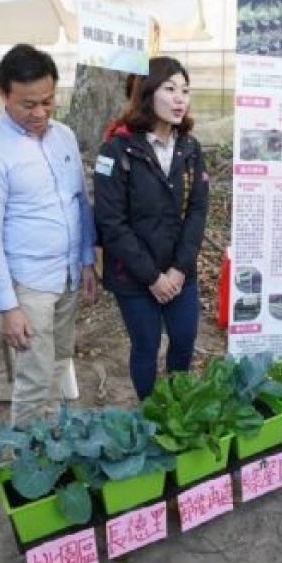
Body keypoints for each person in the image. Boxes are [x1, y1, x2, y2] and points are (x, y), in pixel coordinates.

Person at [0, 44, 96, 427]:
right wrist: (8, 306)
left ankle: (52, 442)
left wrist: (87, 259)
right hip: (30, 282)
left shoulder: (64, 136)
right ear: (3, 94)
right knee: (35, 378)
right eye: (28, 104)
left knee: (58, 361)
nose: (39, 113)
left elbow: (79, 202)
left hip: (68, 272)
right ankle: (28, 461)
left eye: (48, 101)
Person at [94, 56, 209, 400]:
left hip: (179, 272)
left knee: (184, 337)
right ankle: (149, 411)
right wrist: (152, 277)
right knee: (145, 345)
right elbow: (111, 222)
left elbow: (198, 210)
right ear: (147, 92)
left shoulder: (189, 148)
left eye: (185, 91)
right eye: (170, 89)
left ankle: (177, 408)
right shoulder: (116, 150)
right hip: (133, 275)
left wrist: (177, 271)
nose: (180, 99)